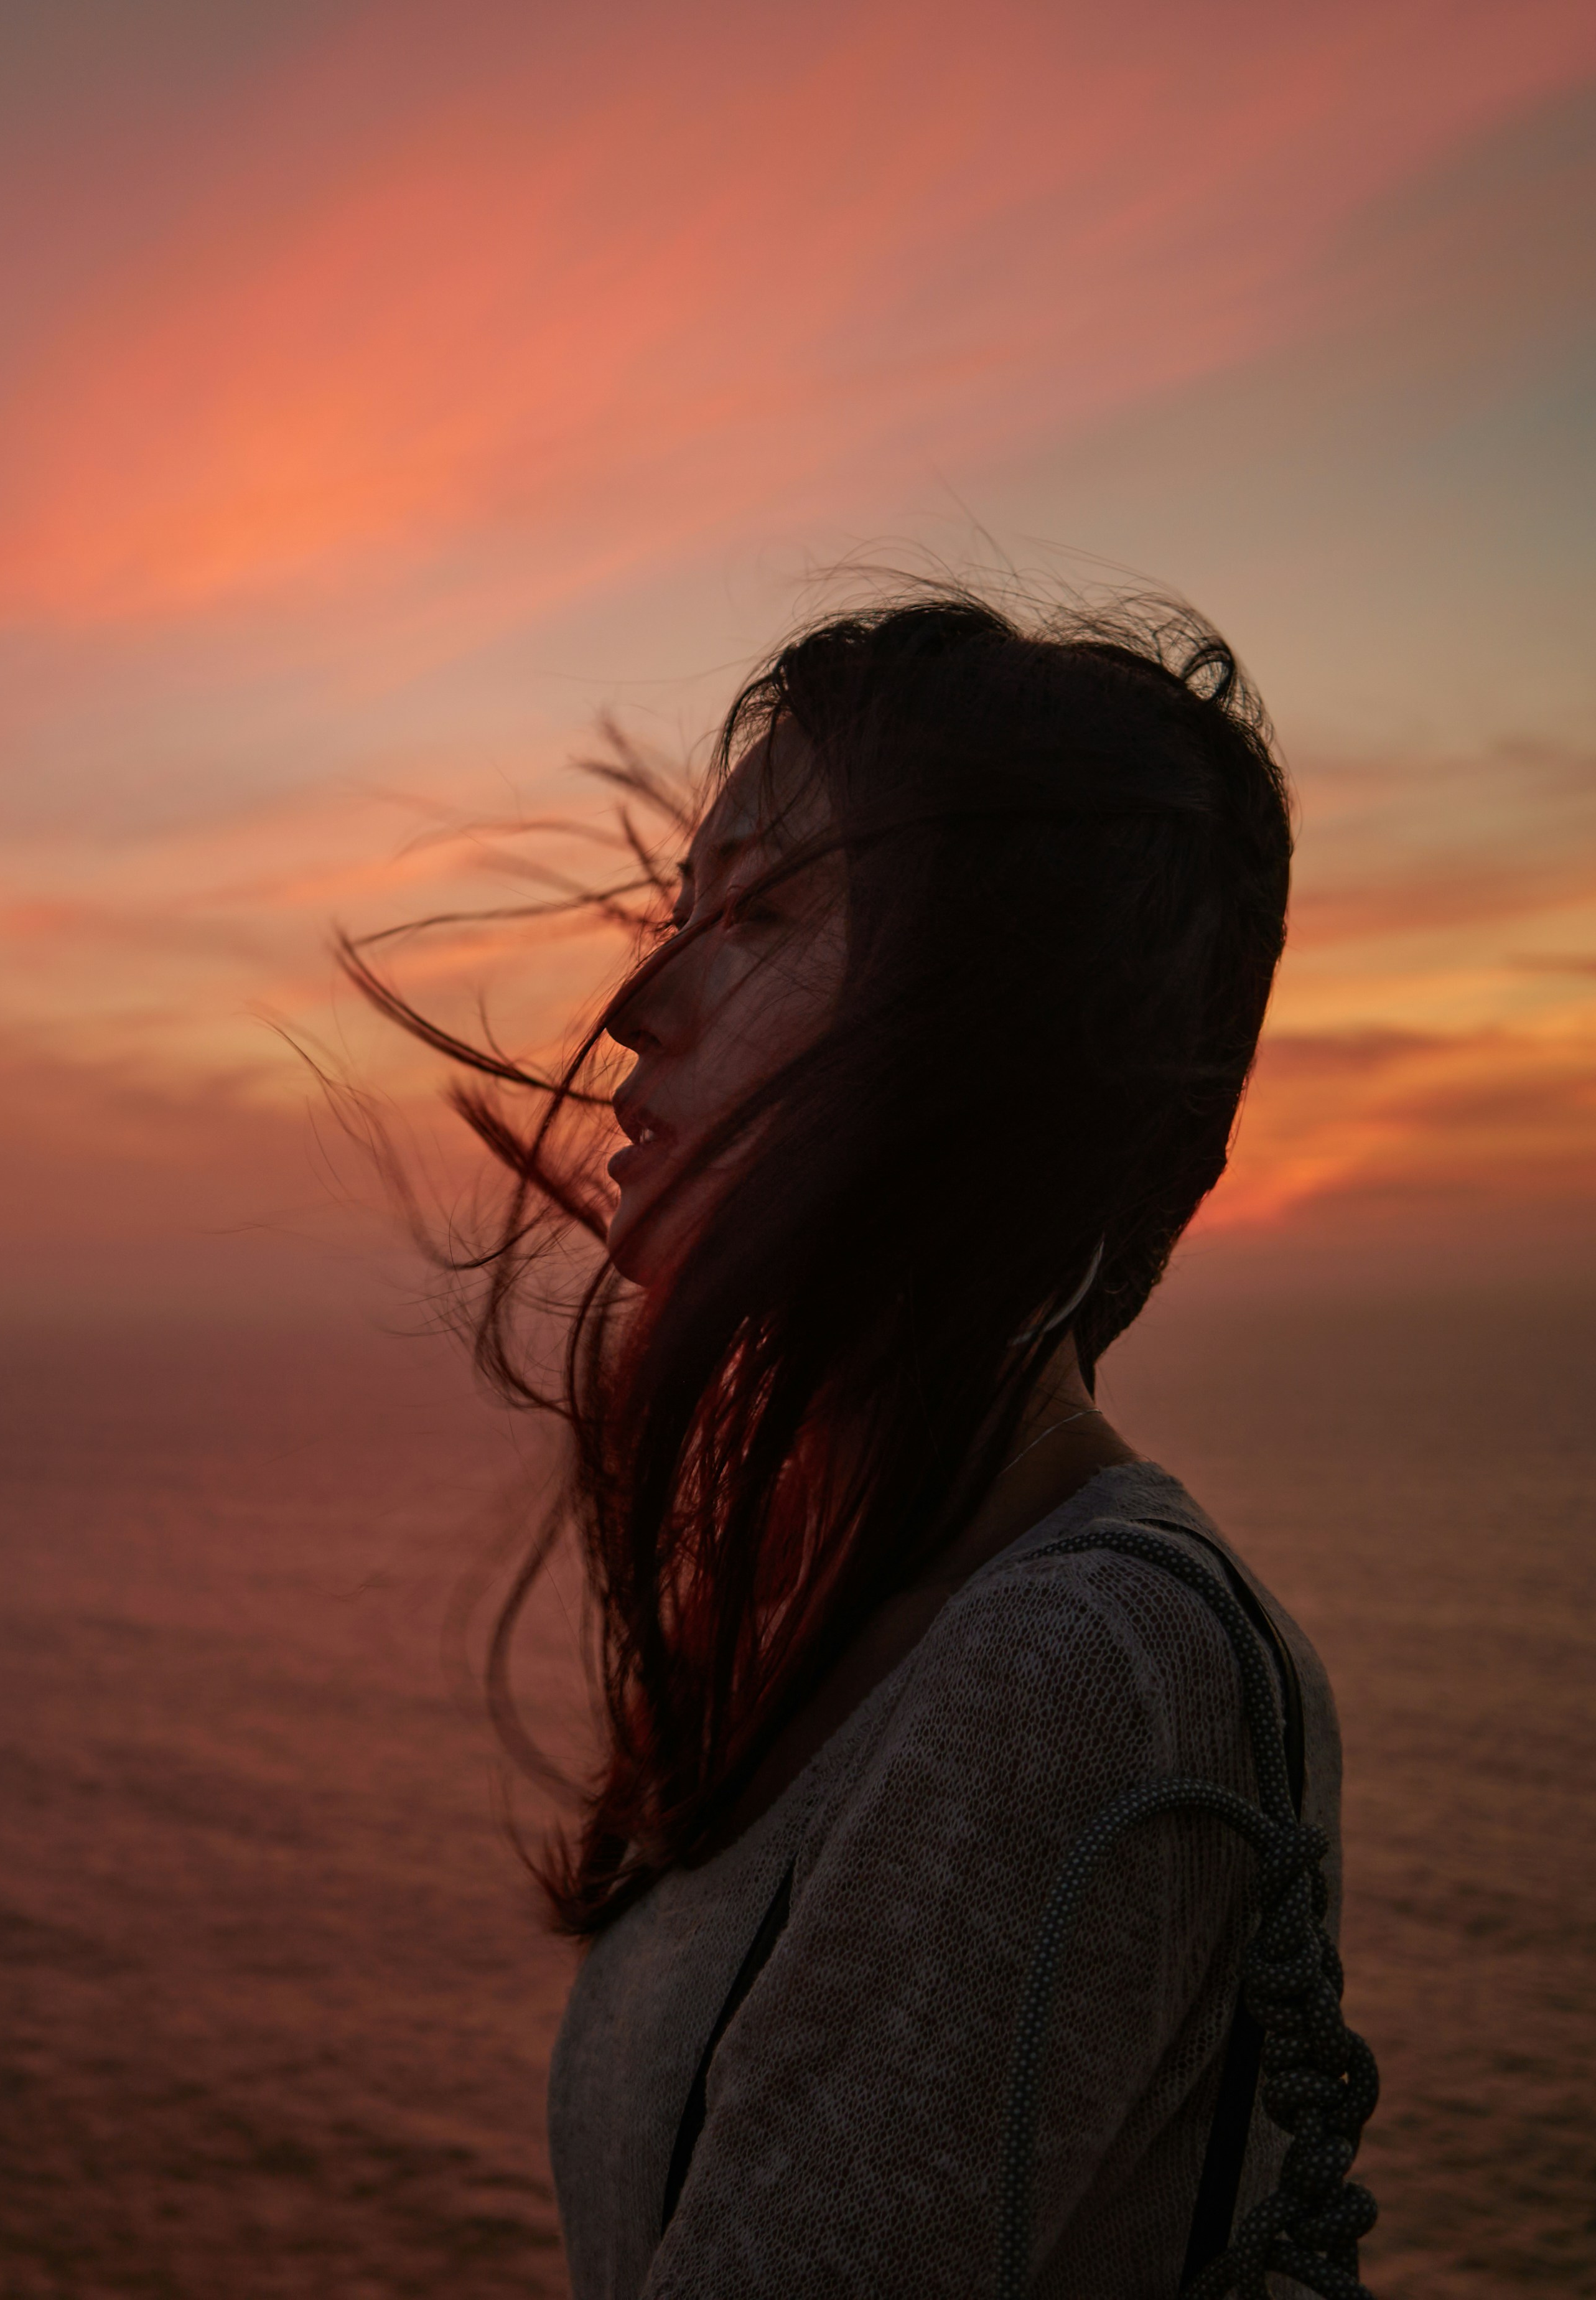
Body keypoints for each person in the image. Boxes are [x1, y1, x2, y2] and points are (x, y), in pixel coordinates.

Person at [350, 584, 1373, 2298]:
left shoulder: (1077, 1666)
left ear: (990, 1027)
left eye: (758, 915)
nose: (635, 1008)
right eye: (681, 909)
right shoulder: (849, 1605)